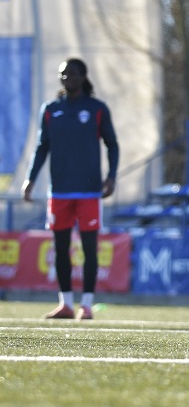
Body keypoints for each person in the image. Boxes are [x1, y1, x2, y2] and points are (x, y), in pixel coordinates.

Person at [22, 58, 119, 321]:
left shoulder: (97, 109)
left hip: (89, 192)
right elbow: (42, 146)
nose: (66, 78)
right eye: (63, 74)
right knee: (60, 248)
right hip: (60, 192)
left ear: (82, 76)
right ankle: (65, 303)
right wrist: (30, 179)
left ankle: (86, 305)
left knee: (89, 249)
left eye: (72, 73)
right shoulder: (51, 109)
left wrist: (111, 177)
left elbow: (112, 144)